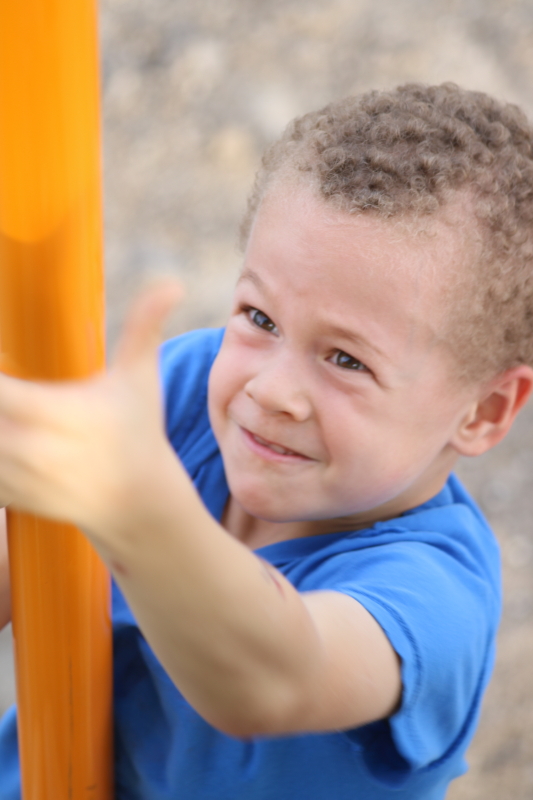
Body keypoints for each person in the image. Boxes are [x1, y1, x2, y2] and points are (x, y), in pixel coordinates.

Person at [0, 82, 532, 800]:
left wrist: (135, 507)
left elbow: (267, 680)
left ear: (484, 411)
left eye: (345, 360)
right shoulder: (186, 393)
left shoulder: (433, 599)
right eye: (260, 317)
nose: (271, 390)